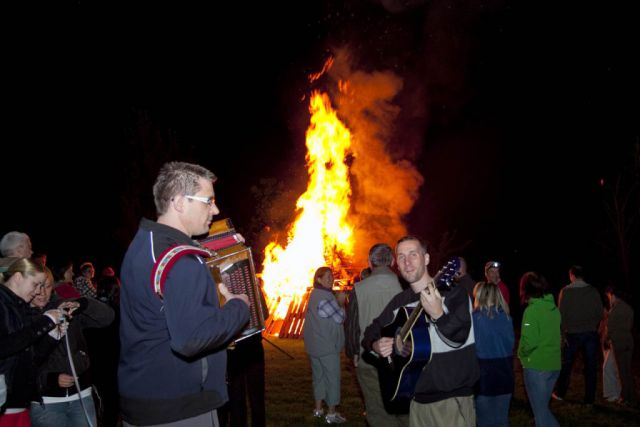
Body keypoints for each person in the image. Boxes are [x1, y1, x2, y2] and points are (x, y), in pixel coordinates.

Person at [118, 161, 250, 427]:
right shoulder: (181, 261)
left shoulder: (146, 241)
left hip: (144, 396)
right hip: (179, 407)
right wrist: (239, 308)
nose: (215, 209)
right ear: (179, 202)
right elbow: (191, 339)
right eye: (208, 201)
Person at [362, 236, 479, 427]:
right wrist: (377, 345)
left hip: (450, 401)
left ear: (426, 259)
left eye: (413, 255)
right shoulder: (399, 302)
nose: (407, 262)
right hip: (415, 401)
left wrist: (438, 315)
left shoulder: (453, 294)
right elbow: (370, 333)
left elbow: (459, 338)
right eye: (401, 257)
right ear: (396, 265)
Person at [29, 266, 114, 427]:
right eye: (36, 286)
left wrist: (84, 303)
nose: (42, 292)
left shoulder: (65, 306)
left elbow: (107, 318)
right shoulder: (23, 316)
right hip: (47, 403)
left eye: (46, 286)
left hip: (81, 396)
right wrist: (49, 379)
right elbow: (21, 364)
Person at [0, 258, 71, 427]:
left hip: (20, 402)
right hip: (5, 403)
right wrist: (44, 322)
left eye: (42, 286)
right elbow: (4, 347)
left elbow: (32, 358)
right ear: (17, 277)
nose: (38, 291)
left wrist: (52, 336)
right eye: (36, 284)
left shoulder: (22, 308)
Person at [345, 243, 407, 427]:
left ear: (370, 262)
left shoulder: (359, 288)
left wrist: (353, 353)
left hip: (369, 358)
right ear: (393, 261)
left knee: (377, 409)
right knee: (404, 408)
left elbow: (352, 326)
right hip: (402, 358)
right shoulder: (406, 286)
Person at [218, 283, 269, 427]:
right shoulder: (221, 289)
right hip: (235, 349)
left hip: (250, 347)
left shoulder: (252, 285)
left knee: (252, 395)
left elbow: (264, 313)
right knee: (237, 395)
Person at [553, 265, 602, 404]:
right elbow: (599, 312)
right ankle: (589, 399)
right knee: (591, 367)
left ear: (572, 276)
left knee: (566, 365)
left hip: (572, 334)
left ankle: (560, 393)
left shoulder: (565, 292)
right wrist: (592, 324)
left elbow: (560, 315)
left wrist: (562, 333)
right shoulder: (593, 291)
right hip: (590, 334)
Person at [303, 266, 346, 424]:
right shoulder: (324, 297)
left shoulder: (315, 295)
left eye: (331, 276)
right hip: (326, 347)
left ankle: (318, 409)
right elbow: (340, 317)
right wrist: (341, 302)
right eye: (326, 276)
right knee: (332, 378)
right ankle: (332, 414)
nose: (331, 279)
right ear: (318, 279)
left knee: (318, 378)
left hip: (315, 346)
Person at [518, 272, 561, 427]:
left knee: (541, 414)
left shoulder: (532, 311)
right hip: (554, 366)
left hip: (537, 366)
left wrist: (521, 354)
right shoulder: (554, 309)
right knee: (542, 411)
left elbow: (530, 342)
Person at [472, 281, 514, 427]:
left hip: (484, 379)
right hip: (506, 376)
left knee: (485, 422)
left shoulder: (475, 319)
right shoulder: (507, 318)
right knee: (501, 421)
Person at [604, 286, 637, 407]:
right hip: (629, 341)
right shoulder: (629, 308)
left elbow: (610, 328)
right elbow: (629, 325)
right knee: (627, 371)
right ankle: (632, 396)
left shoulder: (614, 309)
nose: (609, 299)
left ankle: (627, 398)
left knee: (622, 372)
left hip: (619, 343)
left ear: (612, 295)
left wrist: (606, 339)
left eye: (608, 297)